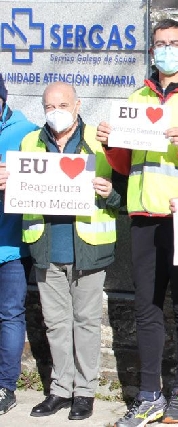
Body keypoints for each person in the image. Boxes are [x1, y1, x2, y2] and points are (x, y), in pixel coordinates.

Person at [96, 18, 178, 426]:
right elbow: (123, 163)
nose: (167, 50)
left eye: (174, 43)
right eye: (160, 44)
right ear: (152, 51)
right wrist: (111, 142)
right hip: (143, 219)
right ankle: (150, 394)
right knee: (146, 307)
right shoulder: (136, 98)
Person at [13, 82, 121, 420]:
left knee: (86, 322)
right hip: (46, 248)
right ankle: (61, 389)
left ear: (77, 105)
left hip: (88, 250)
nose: (55, 111)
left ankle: (85, 392)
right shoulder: (30, 142)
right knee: (55, 323)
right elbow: (20, 191)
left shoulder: (100, 145)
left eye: (62, 104)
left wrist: (109, 193)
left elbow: (125, 198)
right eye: (49, 106)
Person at [0, 74, 38, 415]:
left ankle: (5, 386)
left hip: (11, 244)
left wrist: (15, 180)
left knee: (10, 314)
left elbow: (46, 182)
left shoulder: (27, 133)